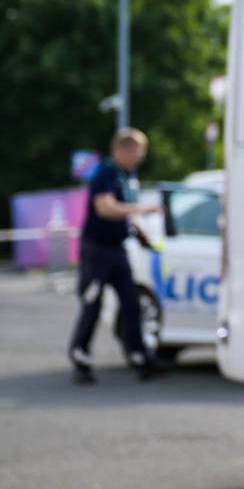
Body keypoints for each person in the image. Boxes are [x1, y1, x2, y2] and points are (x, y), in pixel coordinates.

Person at [67, 127, 165, 382]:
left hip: (117, 250)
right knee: (93, 303)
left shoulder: (127, 175)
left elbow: (125, 214)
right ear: (124, 149)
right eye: (138, 152)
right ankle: (80, 355)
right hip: (97, 250)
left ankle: (139, 357)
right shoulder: (105, 173)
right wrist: (142, 209)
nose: (141, 158)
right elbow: (105, 208)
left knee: (131, 303)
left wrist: (143, 235)